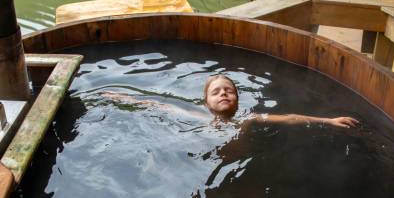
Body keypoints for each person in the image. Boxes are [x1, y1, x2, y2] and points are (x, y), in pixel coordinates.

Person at [100, 74, 359, 128]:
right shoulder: (199, 117)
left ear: (237, 99)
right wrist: (120, 98)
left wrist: (328, 120)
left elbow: (290, 118)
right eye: (216, 92)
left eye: (229, 91)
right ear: (206, 102)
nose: (223, 93)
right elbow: (157, 105)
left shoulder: (249, 118)